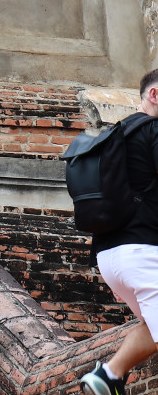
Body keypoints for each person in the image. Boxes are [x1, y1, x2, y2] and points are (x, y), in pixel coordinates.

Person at [80, 69, 158, 395]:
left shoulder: (114, 136)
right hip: (142, 252)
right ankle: (109, 374)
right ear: (154, 95)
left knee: (153, 327)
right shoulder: (154, 130)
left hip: (110, 257)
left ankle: (109, 377)